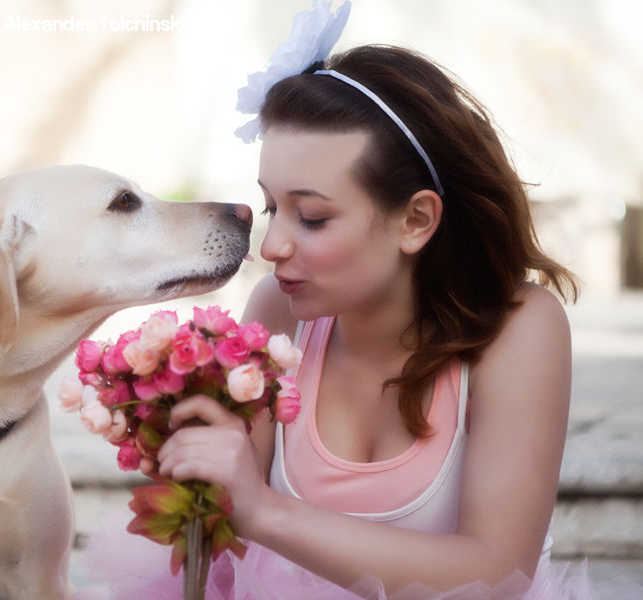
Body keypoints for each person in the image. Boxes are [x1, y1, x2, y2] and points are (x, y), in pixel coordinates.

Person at [76, 3, 616, 598]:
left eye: (311, 217)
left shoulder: (517, 330)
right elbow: (226, 547)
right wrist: (189, 467)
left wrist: (263, 511)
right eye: (272, 207)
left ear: (415, 219)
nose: (272, 245)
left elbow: (495, 575)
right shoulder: (278, 314)